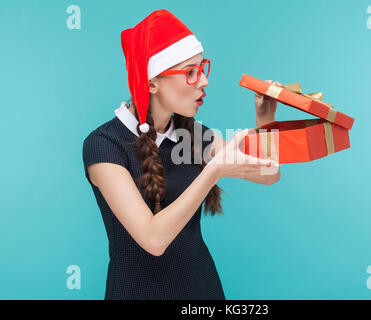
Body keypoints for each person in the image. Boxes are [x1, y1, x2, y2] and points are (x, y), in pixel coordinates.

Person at [82, 9, 280, 300]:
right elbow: (153, 239)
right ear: (152, 83)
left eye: (202, 68)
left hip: (203, 291)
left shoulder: (196, 135)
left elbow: (269, 174)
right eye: (190, 72)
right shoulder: (104, 145)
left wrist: (266, 120)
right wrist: (212, 172)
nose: (204, 81)